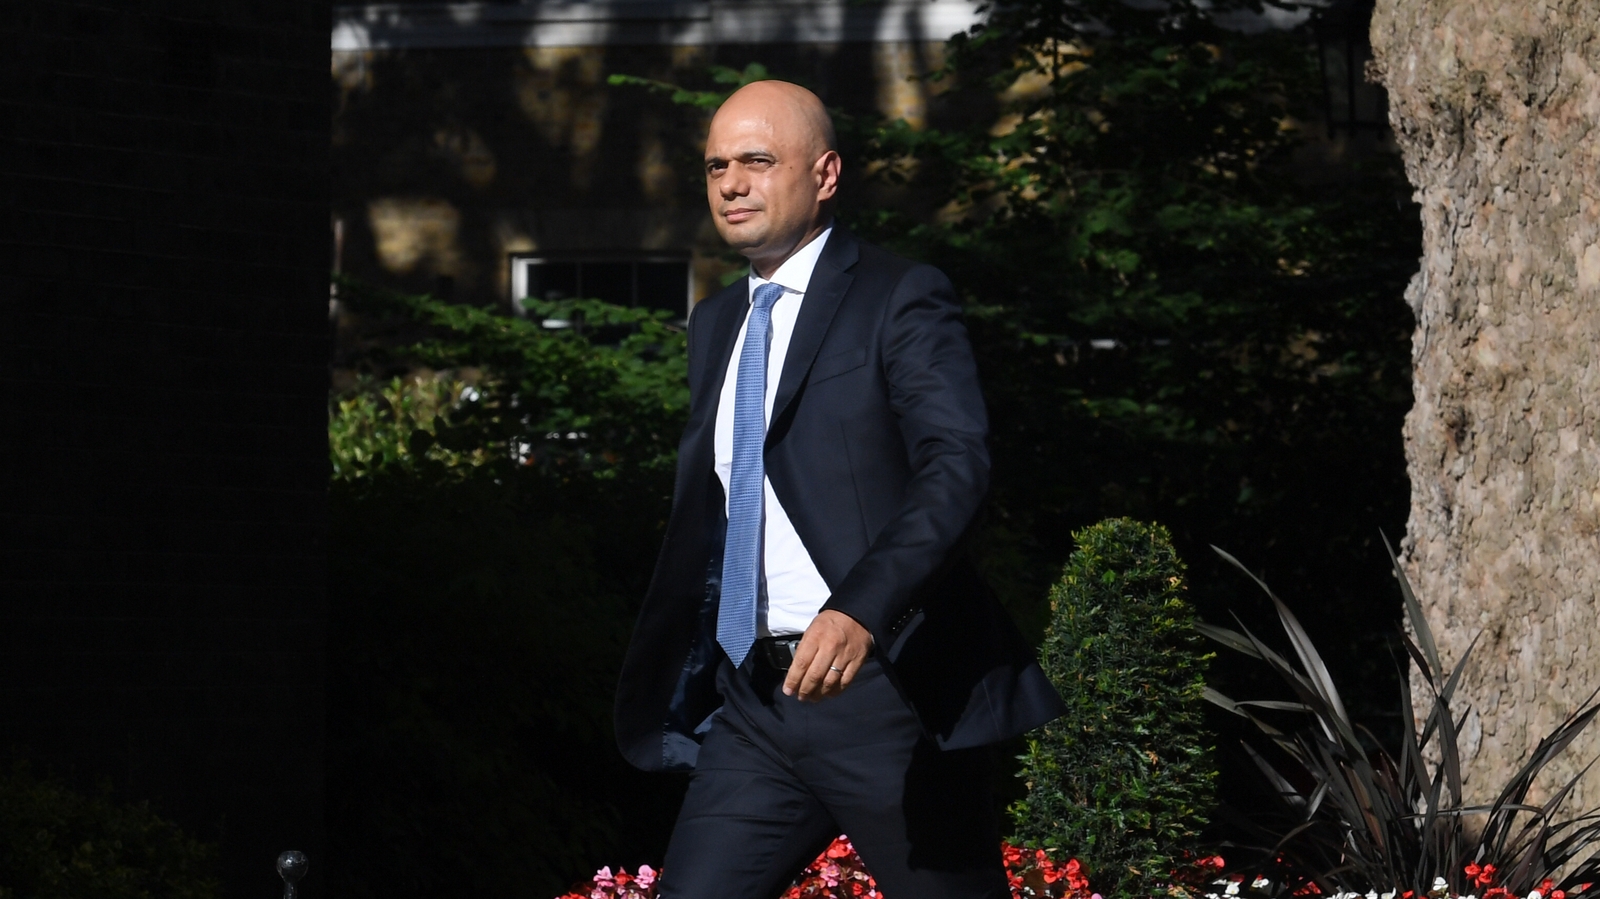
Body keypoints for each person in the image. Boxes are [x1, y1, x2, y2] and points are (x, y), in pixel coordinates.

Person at [613, 80, 1064, 899]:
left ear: (825, 175)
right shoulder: (716, 322)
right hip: (757, 702)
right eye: (716, 166)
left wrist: (862, 607)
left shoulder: (899, 295)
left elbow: (957, 464)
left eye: (757, 160)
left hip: (888, 693)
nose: (731, 183)